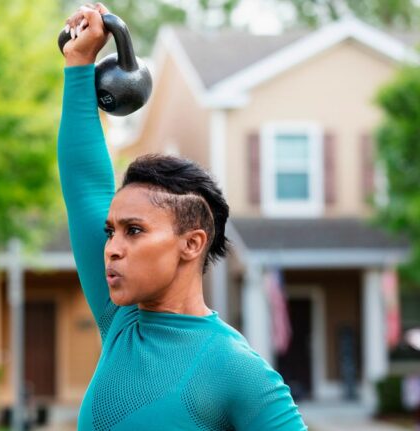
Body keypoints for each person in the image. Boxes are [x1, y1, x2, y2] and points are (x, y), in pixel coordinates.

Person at [58, 4, 307, 430]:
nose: (113, 249)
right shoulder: (122, 322)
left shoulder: (236, 369)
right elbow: (84, 184)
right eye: (111, 231)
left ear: (191, 243)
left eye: (134, 231)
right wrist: (79, 64)